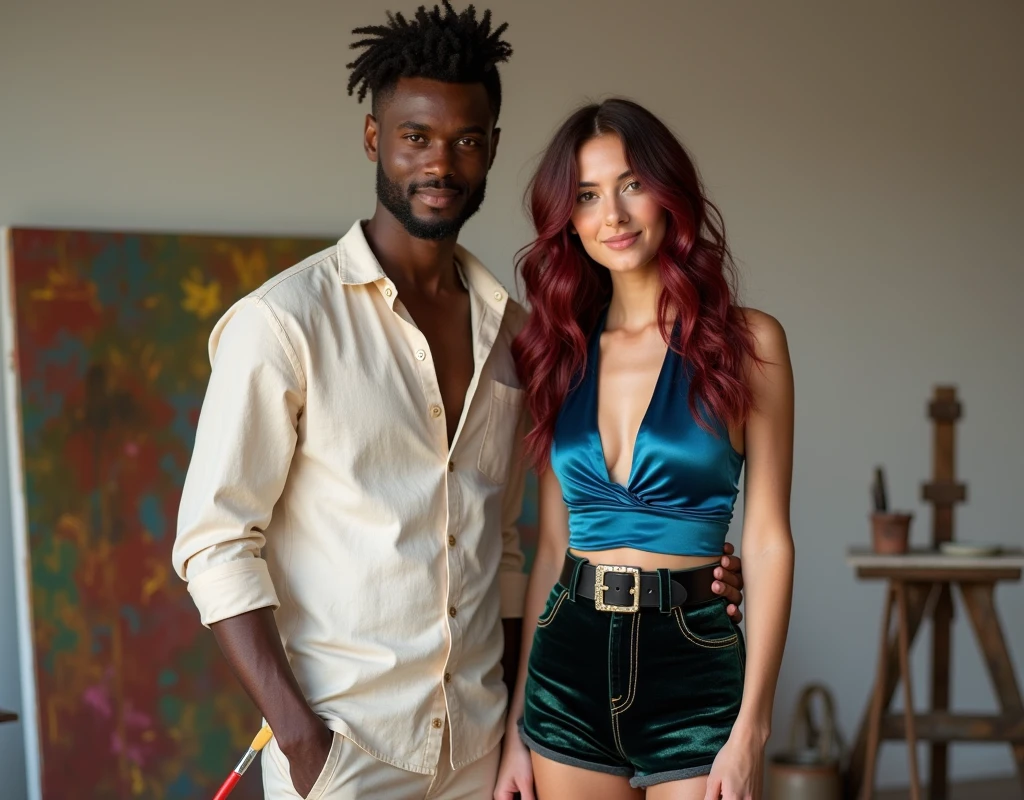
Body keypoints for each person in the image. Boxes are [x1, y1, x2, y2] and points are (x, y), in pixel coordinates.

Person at [172, 4, 745, 798]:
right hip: (347, 752)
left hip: (483, 746)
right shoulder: (284, 323)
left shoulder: (521, 337)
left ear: (492, 150)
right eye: (414, 137)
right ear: (375, 139)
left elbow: (509, 547)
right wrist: (304, 742)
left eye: (465, 140)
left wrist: (681, 568)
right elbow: (215, 544)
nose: (439, 162)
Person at [495, 98, 795, 800]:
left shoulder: (749, 346)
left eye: (631, 185)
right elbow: (551, 549)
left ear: (669, 191)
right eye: (588, 196)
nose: (614, 216)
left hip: (692, 662)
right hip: (566, 668)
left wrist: (753, 728)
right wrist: (518, 728)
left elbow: (770, 540)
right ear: (567, 219)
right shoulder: (559, 353)